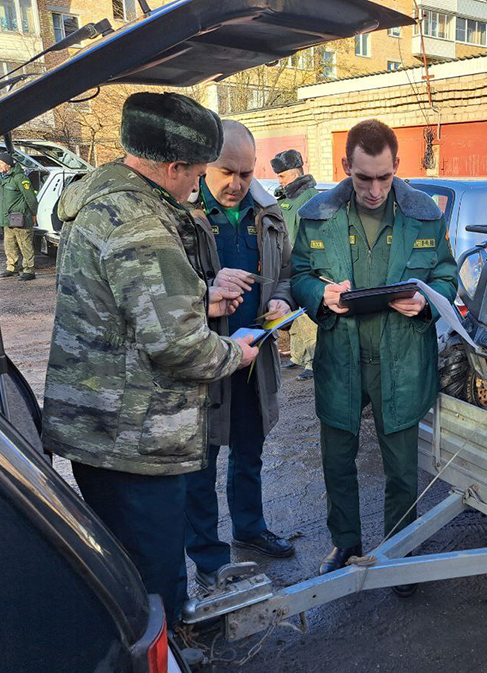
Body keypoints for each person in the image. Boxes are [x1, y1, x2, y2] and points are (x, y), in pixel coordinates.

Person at [41, 92, 259, 625]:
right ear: (174, 165)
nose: (197, 186)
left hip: (101, 426)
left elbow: (121, 307)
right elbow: (179, 346)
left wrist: (196, 298)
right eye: (198, 172)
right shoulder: (140, 222)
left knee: (125, 563)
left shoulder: (100, 200)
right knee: (153, 579)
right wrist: (236, 351)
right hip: (133, 437)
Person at [290, 119, 458, 595]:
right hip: (341, 358)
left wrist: (426, 300)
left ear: (397, 167)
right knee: (337, 461)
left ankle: (398, 551)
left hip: (402, 361)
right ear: (346, 167)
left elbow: (447, 278)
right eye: (363, 177)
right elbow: (298, 274)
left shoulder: (425, 215)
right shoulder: (317, 215)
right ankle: (346, 543)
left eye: (384, 177)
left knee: (402, 468)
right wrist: (319, 294)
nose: (374, 189)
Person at [182, 120, 295, 592]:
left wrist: (283, 299)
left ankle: (250, 529)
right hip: (204, 360)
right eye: (227, 171)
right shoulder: (179, 214)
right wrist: (205, 293)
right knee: (200, 461)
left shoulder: (267, 213)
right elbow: (161, 291)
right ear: (205, 164)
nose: (237, 184)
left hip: (255, 356)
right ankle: (209, 557)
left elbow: (288, 270)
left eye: (247, 173)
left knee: (249, 451)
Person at [272, 149, 319, 381]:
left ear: (293, 174)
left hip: (305, 265)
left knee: (308, 317)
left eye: (282, 176)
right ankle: (299, 356)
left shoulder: (310, 197)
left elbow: (313, 236)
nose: (279, 181)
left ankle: (313, 362)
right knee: (296, 314)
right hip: (289, 263)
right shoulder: (286, 198)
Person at [0, 151, 38, 281]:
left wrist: (34, 214)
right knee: (9, 244)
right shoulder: (2, 178)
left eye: (1, 163)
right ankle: (11, 267)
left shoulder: (20, 178)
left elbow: (31, 198)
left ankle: (29, 270)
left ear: (8, 164)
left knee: (25, 244)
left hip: (21, 218)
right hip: (7, 219)